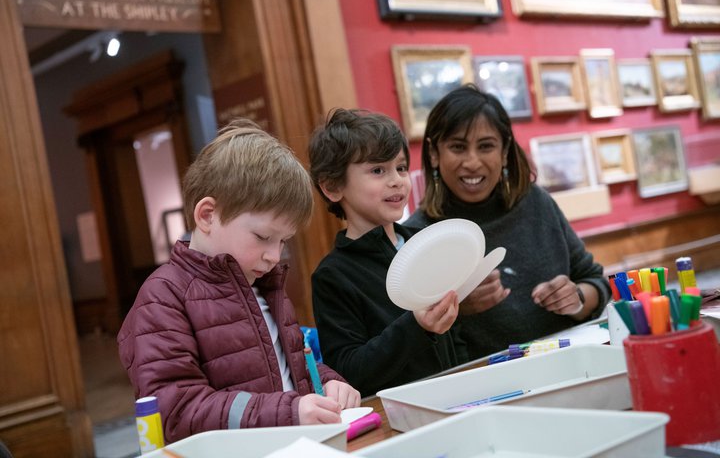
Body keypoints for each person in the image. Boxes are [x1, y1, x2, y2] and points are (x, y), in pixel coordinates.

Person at [117, 119, 360, 443]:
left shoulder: (264, 284)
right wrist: (288, 413)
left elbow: (293, 369)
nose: (274, 255)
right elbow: (177, 412)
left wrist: (329, 383)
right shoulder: (163, 297)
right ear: (206, 216)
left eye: (283, 241)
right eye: (263, 236)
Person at [404, 84, 611, 361]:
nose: (472, 162)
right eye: (457, 147)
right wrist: (457, 309)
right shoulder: (419, 235)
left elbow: (595, 281)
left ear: (504, 152)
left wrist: (576, 298)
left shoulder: (535, 202)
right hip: (484, 389)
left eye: (486, 146)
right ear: (433, 154)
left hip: (571, 364)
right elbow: (414, 347)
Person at [309, 108, 461, 397]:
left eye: (401, 168)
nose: (396, 180)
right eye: (378, 170)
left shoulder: (423, 243)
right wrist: (415, 327)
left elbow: (456, 335)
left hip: (456, 396)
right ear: (332, 187)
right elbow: (349, 371)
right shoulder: (332, 276)